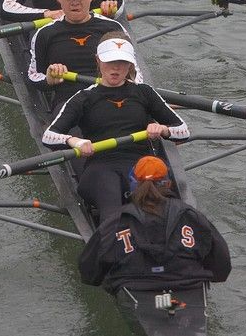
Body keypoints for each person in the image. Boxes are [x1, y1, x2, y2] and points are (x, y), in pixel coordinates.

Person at [42, 33, 189, 222]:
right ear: (98, 61)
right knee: (112, 205)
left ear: (130, 66)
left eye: (122, 62)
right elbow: (49, 136)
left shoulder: (144, 92)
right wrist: (74, 141)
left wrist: (163, 129)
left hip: (140, 166)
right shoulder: (84, 97)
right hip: (101, 167)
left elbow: (183, 130)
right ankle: (113, 235)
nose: (116, 68)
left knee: (158, 210)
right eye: (110, 61)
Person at [78, 155, 231, 293]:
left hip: (134, 286)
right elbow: (222, 264)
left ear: (133, 183)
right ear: (169, 183)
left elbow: (88, 272)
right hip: (188, 284)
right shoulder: (191, 215)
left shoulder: (117, 220)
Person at [28, 0, 132, 115]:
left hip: (113, 96)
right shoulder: (45, 33)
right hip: (70, 103)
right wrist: (49, 79)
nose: (75, 2)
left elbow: (135, 73)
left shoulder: (112, 28)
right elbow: (34, 76)